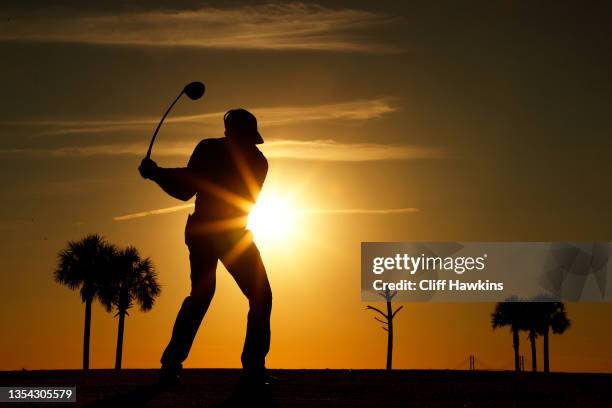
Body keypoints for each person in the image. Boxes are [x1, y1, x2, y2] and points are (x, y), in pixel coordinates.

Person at [139, 109, 272, 387]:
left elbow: (188, 186)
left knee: (258, 296)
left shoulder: (250, 160)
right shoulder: (224, 152)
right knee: (205, 295)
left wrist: (157, 173)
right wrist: (158, 174)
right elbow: (188, 188)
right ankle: (174, 364)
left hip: (228, 233)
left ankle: (252, 369)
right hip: (211, 233)